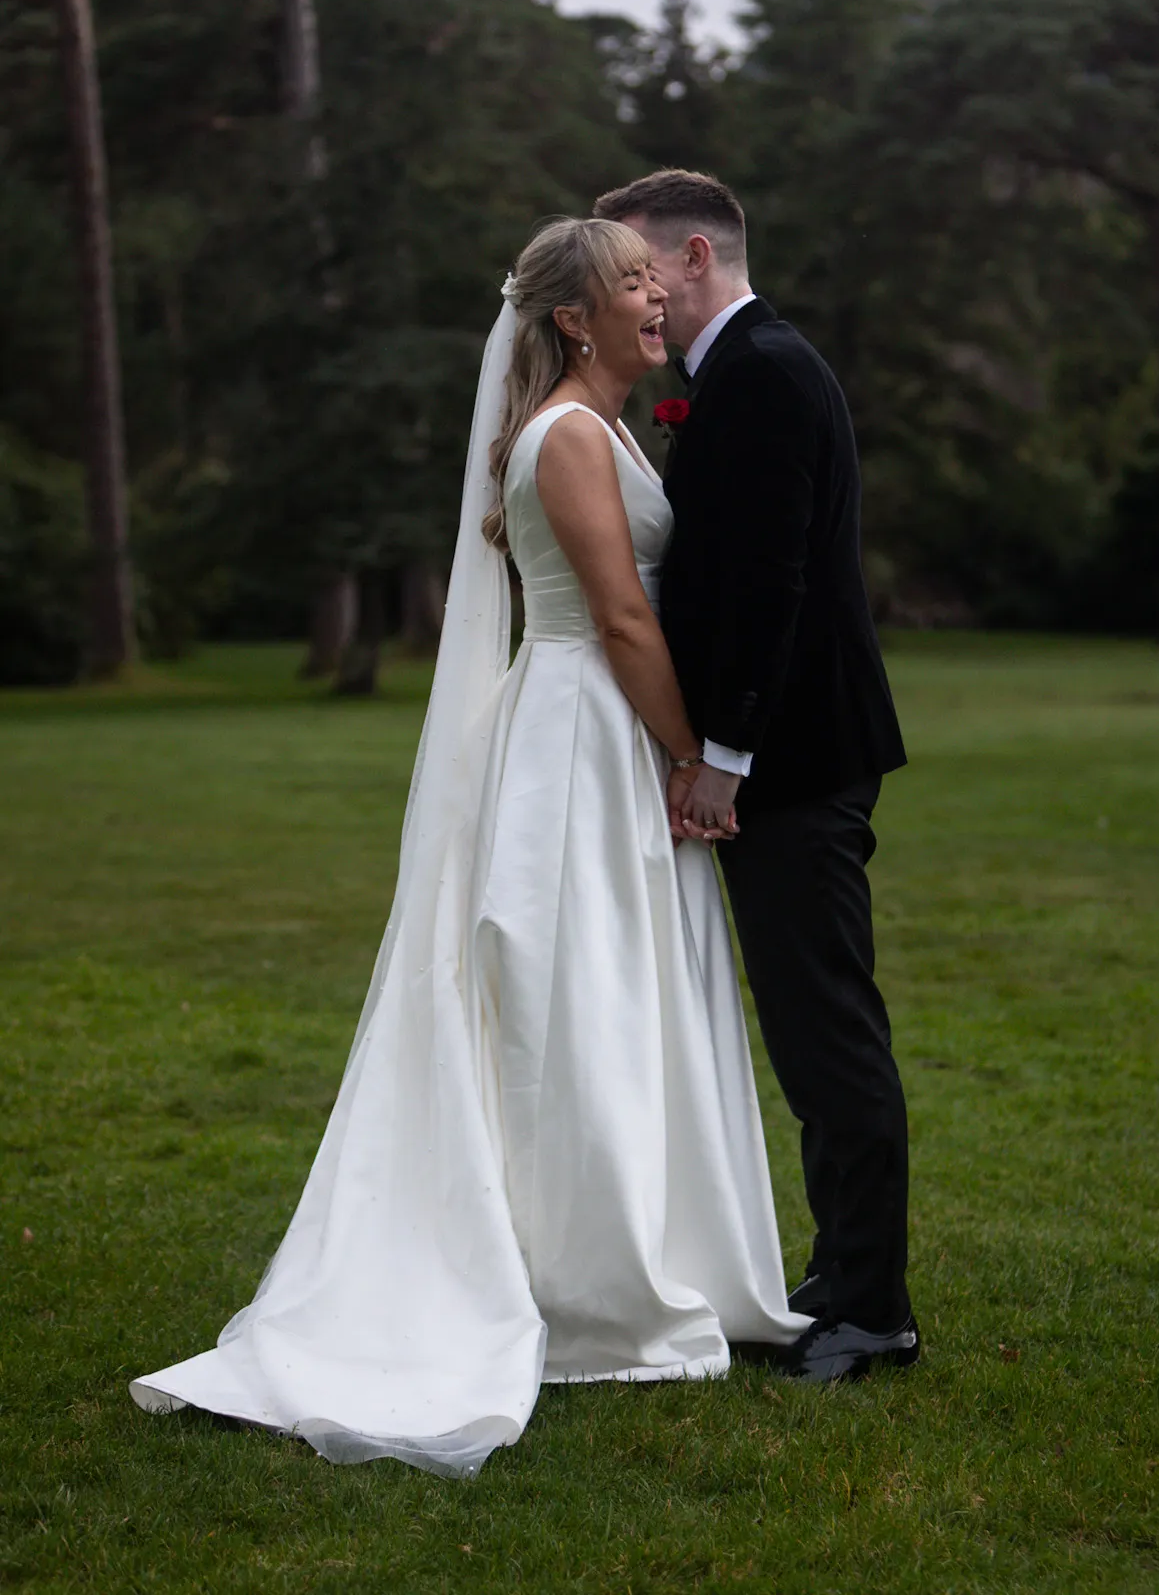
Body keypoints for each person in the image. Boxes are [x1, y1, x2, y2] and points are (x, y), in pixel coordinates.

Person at [130, 217, 805, 1477]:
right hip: (582, 732)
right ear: (572, 318)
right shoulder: (568, 437)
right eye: (632, 284)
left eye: (656, 279)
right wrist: (691, 759)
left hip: (599, 727)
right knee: (578, 994)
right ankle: (590, 1285)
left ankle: (650, 1253)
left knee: (620, 988)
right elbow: (619, 617)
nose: (656, 299)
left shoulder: (604, 427)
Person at [595, 169, 919, 1384]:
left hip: (796, 758)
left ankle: (874, 1307)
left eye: (642, 269)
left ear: (696, 256)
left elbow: (772, 581)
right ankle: (839, 1274)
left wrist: (723, 758)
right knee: (805, 1025)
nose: (636, 294)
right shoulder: (741, 369)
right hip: (784, 752)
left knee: (829, 1028)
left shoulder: (767, 372)